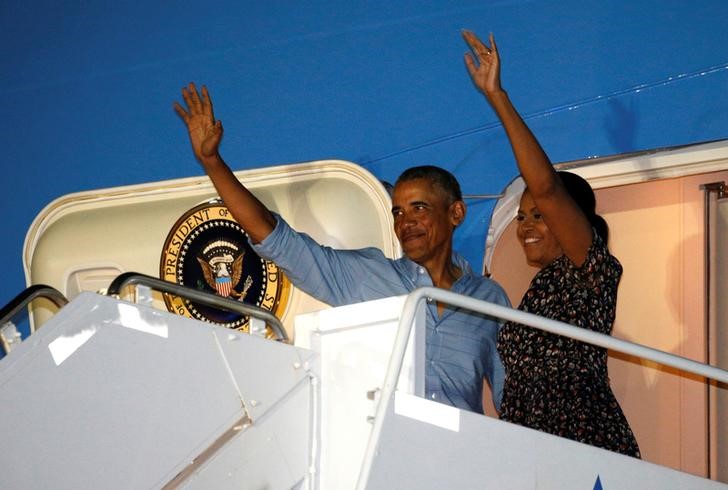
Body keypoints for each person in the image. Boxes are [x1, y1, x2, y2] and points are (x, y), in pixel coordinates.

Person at [174, 83, 511, 414]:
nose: (405, 222)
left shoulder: (491, 300)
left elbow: (511, 397)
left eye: (419, 208)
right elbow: (278, 240)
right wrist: (212, 162)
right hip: (387, 453)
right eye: (398, 212)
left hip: (463, 457)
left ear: (456, 213)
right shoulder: (367, 274)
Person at [462, 30, 641, 457]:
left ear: (571, 219)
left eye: (538, 214)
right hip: (533, 451)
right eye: (521, 217)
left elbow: (546, 186)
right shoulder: (540, 292)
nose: (525, 226)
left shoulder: (592, 271)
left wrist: (498, 98)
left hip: (584, 446)